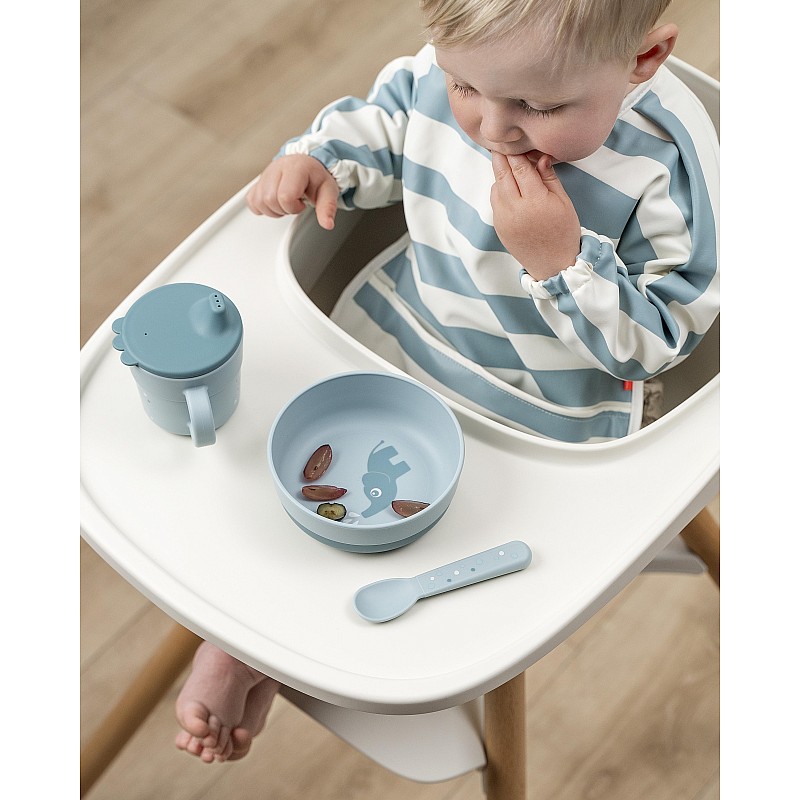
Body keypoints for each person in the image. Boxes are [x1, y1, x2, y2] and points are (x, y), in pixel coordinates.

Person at [175, 0, 719, 762]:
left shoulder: (665, 167)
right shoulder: (458, 70)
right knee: (293, 478)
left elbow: (658, 342)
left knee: (463, 552)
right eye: (464, 87)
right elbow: (389, 122)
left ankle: (286, 648)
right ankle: (251, 637)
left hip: (548, 406)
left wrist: (560, 262)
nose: (491, 128)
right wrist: (321, 160)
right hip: (406, 330)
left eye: (537, 106)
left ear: (642, 61)